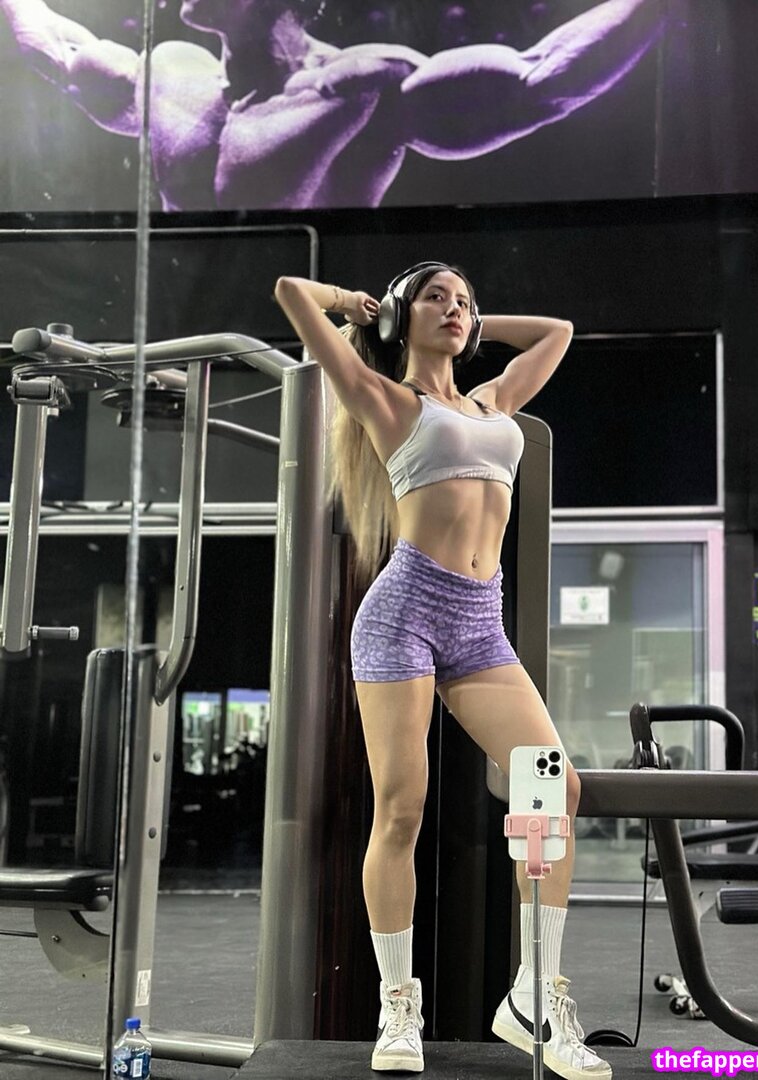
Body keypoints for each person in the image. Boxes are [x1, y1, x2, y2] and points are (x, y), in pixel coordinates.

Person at [274, 262, 610, 1079]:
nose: (455, 309)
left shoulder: (494, 403)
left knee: (552, 786)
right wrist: (360, 307)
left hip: (479, 623)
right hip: (404, 616)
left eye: (464, 301)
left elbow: (557, 334)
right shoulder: (387, 402)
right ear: (402, 316)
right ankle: (397, 1007)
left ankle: (534, 993)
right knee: (402, 810)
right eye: (437, 298)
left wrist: (479, 321)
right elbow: (290, 292)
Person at [0, 0, 666, 209]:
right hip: (185, 357)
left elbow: (541, 80)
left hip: (313, 370)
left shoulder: (365, 86)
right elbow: (57, 47)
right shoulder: (168, 75)